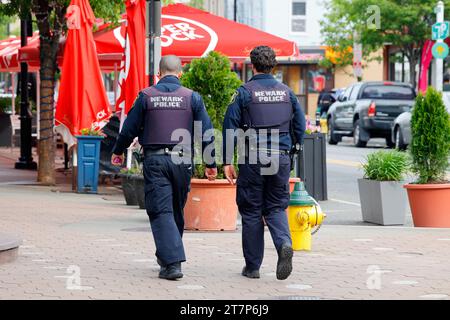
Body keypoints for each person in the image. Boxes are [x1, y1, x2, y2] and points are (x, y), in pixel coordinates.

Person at [111, 55, 217, 280]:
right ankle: (167, 256)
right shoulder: (192, 98)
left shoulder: (146, 96)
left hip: (156, 160)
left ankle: (172, 263)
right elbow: (205, 133)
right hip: (183, 162)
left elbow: (129, 129)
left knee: (162, 210)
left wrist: (118, 151)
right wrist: (211, 164)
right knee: (174, 210)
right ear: (181, 73)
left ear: (158, 74)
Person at [222, 46, 306, 280]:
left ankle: (253, 267)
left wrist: (227, 160)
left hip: (253, 157)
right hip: (280, 156)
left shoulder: (244, 93)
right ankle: (283, 244)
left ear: (253, 65)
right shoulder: (287, 93)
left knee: (251, 211)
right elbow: (300, 125)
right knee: (276, 207)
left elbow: (229, 126)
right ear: (274, 66)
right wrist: (294, 149)